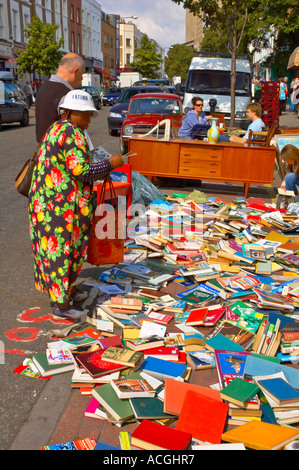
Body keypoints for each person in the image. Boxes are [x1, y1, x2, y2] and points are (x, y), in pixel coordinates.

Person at [28, 90, 123, 320]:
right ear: (72, 113)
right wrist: (110, 164)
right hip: (62, 208)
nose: (89, 121)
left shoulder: (56, 128)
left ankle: (65, 293)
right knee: (63, 253)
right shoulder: (72, 132)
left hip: (48, 204)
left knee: (57, 253)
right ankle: (62, 306)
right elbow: (81, 171)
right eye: (87, 115)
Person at [35, 53, 86, 142]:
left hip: (43, 151)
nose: (81, 79)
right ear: (75, 71)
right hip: (61, 152)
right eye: (81, 75)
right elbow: (73, 133)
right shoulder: (68, 96)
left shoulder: (43, 89)